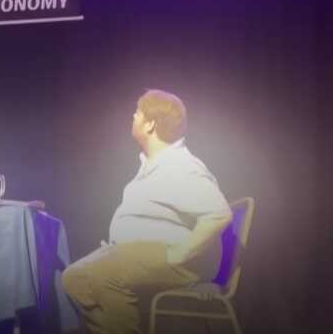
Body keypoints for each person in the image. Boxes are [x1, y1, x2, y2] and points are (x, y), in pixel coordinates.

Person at [61, 89, 233, 334]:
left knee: (101, 274)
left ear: (150, 124)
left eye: (137, 113)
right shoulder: (152, 164)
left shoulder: (180, 165)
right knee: (73, 278)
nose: (133, 116)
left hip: (170, 258)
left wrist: (179, 253)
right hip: (137, 254)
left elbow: (219, 213)